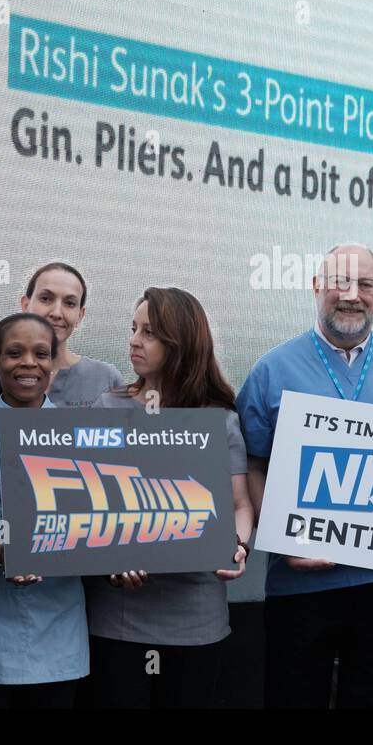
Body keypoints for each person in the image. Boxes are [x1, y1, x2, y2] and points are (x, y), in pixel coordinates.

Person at [237, 241, 373, 708]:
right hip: (300, 586)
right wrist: (284, 536)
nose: (352, 294)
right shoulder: (271, 370)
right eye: (339, 282)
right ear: (316, 287)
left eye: (365, 284)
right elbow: (253, 463)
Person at [84, 288, 254, 708]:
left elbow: (240, 506)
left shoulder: (221, 419)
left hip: (197, 622)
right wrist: (109, 559)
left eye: (150, 333)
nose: (134, 340)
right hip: (117, 620)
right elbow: (86, 507)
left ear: (181, 344)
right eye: (133, 328)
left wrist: (238, 545)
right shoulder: (106, 408)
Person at [0, 313, 90, 708]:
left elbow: (102, 524)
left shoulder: (84, 435)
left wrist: (125, 555)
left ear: (53, 363)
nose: (29, 363)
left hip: (60, 629)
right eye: (14, 352)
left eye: (41, 354)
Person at [0, 261, 122, 418]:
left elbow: (122, 446)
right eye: (46, 299)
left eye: (69, 303)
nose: (56, 312)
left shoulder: (105, 379)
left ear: (80, 315)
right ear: (25, 304)